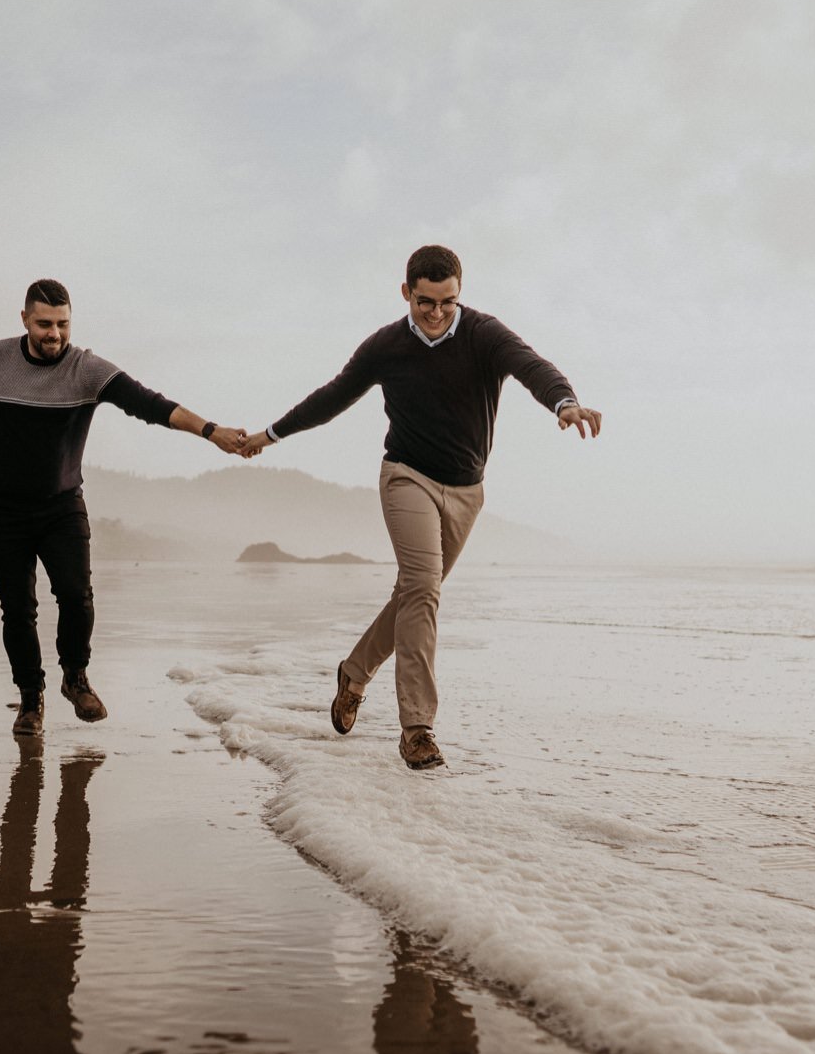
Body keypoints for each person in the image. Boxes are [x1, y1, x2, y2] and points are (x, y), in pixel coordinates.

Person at [240, 246, 601, 770]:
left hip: (467, 491)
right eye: (425, 302)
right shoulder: (385, 346)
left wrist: (564, 402)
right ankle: (417, 729)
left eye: (447, 302)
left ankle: (354, 672)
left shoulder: (484, 334)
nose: (436, 313)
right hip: (407, 476)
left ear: (460, 294)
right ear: (406, 291)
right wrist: (268, 436)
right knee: (425, 590)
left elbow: (532, 367)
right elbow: (333, 396)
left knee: (415, 593)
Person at [0, 279, 245, 735]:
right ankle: (29, 700)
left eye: (63, 324)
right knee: (18, 610)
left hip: (61, 505)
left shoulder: (87, 370)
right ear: (24, 319)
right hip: (0, 509)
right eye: (44, 324)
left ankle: (75, 677)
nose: (54, 334)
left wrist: (211, 431)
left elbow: (152, 405)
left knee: (77, 597)